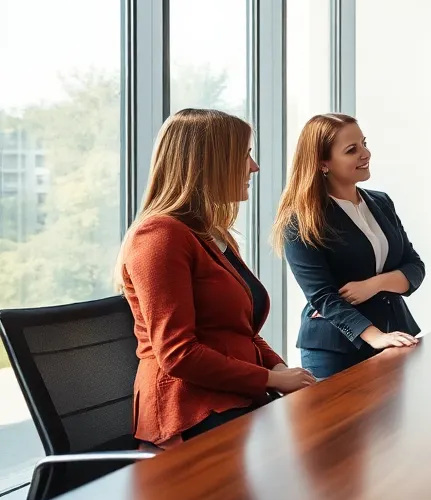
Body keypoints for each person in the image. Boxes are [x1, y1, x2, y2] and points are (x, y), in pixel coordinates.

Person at [116, 109, 315, 448]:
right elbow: (179, 354)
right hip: (190, 409)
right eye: (244, 155)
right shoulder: (159, 236)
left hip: (236, 396)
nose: (254, 167)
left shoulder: (211, 234)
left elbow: (243, 333)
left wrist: (282, 371)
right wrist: (271, 378)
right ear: (208, 163)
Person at [276, 114, 424, 380]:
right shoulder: (301, 220)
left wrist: (375, 284)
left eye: (364, 143)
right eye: (351, 149)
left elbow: (414, 267)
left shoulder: (381, 202)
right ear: (323, 163)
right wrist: (375, 337)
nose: (365, 153)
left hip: (395, 335)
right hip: (336, 351)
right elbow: (322, 297)